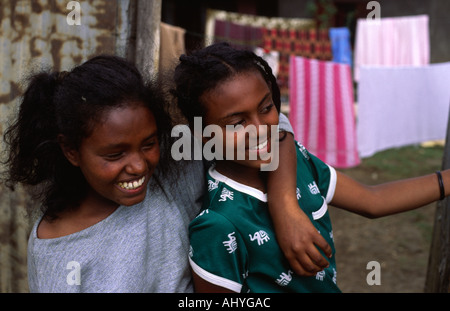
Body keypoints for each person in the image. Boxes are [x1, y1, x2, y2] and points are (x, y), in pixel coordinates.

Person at [2, 54, 316, 292]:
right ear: (71, 151)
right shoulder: (60, 257)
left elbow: (276, 132)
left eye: (149, 143)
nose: (139, 165)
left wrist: (285, 206)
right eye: (115, 154)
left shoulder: (170, 170)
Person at [173, 42, 450, 293]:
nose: (260, 130)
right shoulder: (218, 225)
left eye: (266, 107)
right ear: (201, 134)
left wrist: (445, 180)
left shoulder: (298, 160)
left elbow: (373, 200)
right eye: (236, 123)